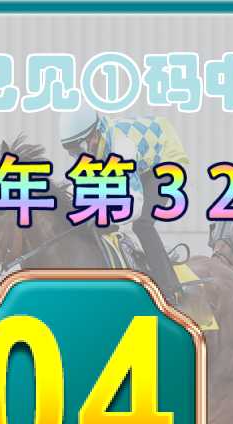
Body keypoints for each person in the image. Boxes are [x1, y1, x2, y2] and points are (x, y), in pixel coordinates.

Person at [59, 104, 187, 302]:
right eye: (71, 150)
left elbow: (135, 205)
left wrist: (106, 218)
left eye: (78, 148)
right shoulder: (91, 143)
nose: (76, 154)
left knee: (142, 224)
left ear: (94, 135)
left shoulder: (121, 146)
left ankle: (170, 290)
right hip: (140, 162)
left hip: (166, 161)